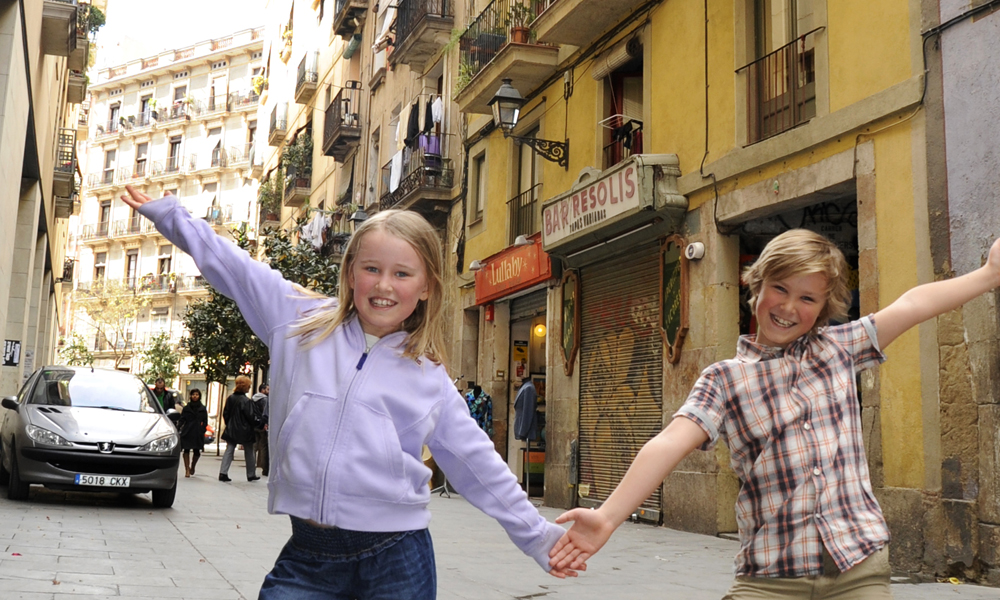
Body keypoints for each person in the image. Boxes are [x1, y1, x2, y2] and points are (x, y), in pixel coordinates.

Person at [121, 185, 577, 599]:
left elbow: (476, 463)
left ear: (425, 288)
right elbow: (234, 267)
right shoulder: (298, 321)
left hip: (397, 558)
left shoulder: (428, 377)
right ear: (351, 272)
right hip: (308, 555)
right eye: (371, 269)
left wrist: (538, 537)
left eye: (402, 274)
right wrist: (169, 214)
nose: (383, 285)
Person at [549, 228, 1000, 599]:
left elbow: (911, 305)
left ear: (825, 307)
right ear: (755, 285)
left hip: (857, 566)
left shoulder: (839, 349)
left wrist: (988, 273)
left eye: (808, 298)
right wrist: (608, 516)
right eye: (779, 289)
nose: (788, 307)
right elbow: (668, 443)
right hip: (771, 575)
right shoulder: (724, 379)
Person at [219, 374, 258, 483]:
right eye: (248, 386)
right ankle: (251, 474)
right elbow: (250, 416)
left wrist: (230, 424)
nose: (249, 388)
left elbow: (225, 414)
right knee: (249, 451)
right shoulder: (246, 401)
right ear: (244, 387)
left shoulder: (230, 398)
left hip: (231, 429)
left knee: (229, 450)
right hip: (245, 430)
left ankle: (223, 472)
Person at [177, 388, 208, 477]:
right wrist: (179, 428)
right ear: (190, 396)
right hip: (187, 431)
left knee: (197, 451)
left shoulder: (202, 408)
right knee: (186, 449)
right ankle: (187, 469)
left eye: (197, 394)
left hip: (198, 432)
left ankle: (193, 466)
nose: (195, 396)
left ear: (199, 396)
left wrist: (202, 429)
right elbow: (182, 419)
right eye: (193, 394)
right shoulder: (186, 408)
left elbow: (205, 421)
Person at [513, 377, 539, 442]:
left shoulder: (528, 388)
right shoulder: (524, 387)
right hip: (520, 425)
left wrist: (523, 431)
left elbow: (528, 411)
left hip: (526, 428)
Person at [252, 383, 270, 477]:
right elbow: (265, 412)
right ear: (262, 390)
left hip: (254, 424)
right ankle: (264, 468)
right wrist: (264, 423)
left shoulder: (253, 398)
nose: (269, 391)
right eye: (267, 389)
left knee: (254, 446)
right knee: (263, 446)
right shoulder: (264, 399)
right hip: (262, 425)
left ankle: (252, 466)